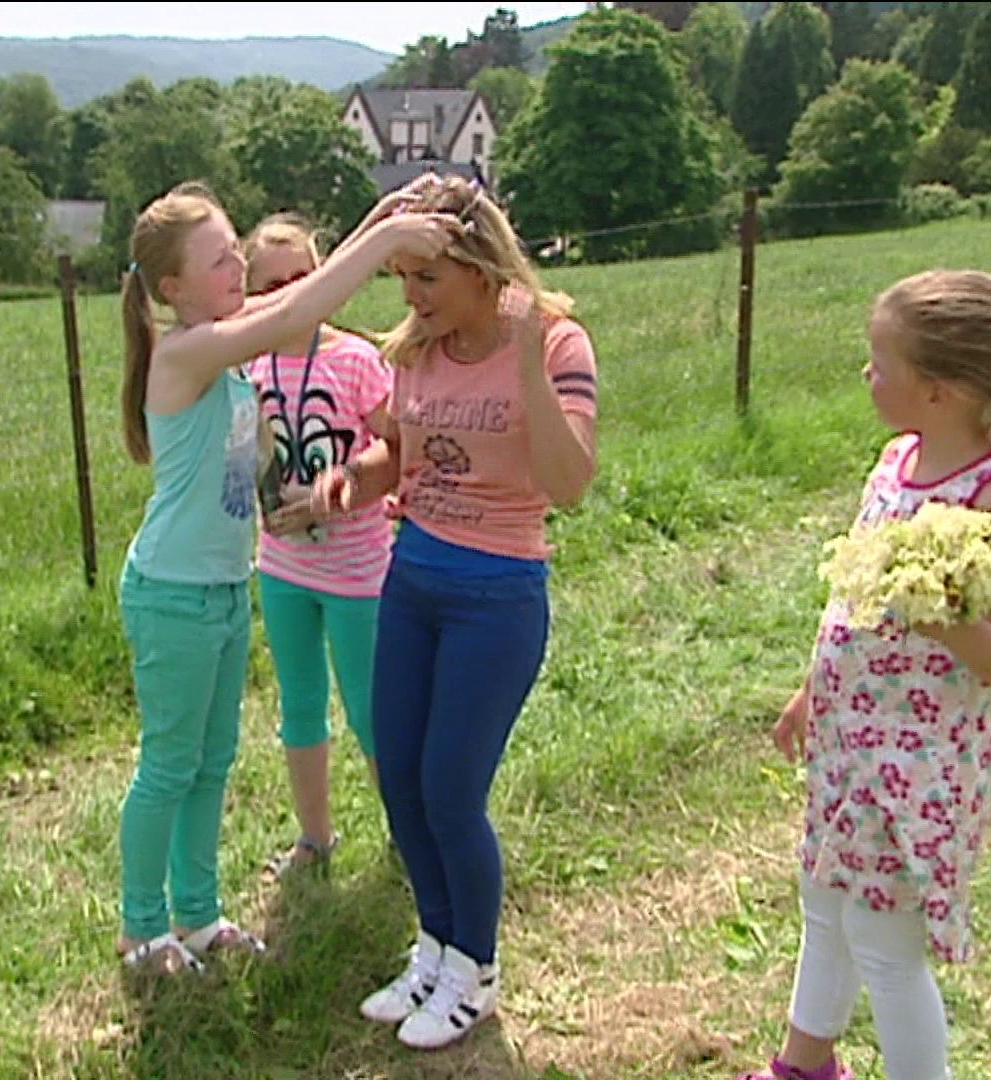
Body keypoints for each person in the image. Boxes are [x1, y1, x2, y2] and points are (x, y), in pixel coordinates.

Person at [113, 182, 456, 975]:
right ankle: (141, 929)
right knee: (168, 766)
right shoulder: (187, 352)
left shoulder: (222, 339)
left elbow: (300, 301)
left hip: (224, 591)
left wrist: (378, 221)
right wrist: (389, 238)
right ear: (173, 288)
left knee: (211, 763)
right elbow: (295, 311)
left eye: (235, 251)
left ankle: (197, 917)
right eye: (219, 259)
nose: (237, 266)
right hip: (172, 595)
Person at [743, 269, 991, 1080]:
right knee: (825, 900)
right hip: (850, 742)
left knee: (885, 944)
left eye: (881, 363)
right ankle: (805, 1066)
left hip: (921, 767)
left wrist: (953, 626)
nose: (866, 373)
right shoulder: (895, 461)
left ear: (939, 391)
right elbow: (852, 597)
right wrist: (813, 691)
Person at [311, 177, 599, 1049]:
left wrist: (524, 360)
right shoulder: (415, 349)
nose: (410, 296)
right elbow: (397, 455)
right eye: (401, 277)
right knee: (399, 776)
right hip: (413, 585)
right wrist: (352, 479)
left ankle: (477, 968)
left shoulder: (556, 340)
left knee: (450, 788)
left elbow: (569, 482)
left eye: (425, 277)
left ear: (480, 268)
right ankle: (434, 948)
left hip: (496, 599)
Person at [239, 212, 397, 880]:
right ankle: (314, 837)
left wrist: (346, 489)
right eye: (272, 285)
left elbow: (399, 449)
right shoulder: (250, 362)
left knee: (371, 709)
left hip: (358, 571)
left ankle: (407, 834)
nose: (291, 293)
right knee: (300, 705)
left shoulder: (357, 360)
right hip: (283, 566)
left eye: (304, 276)